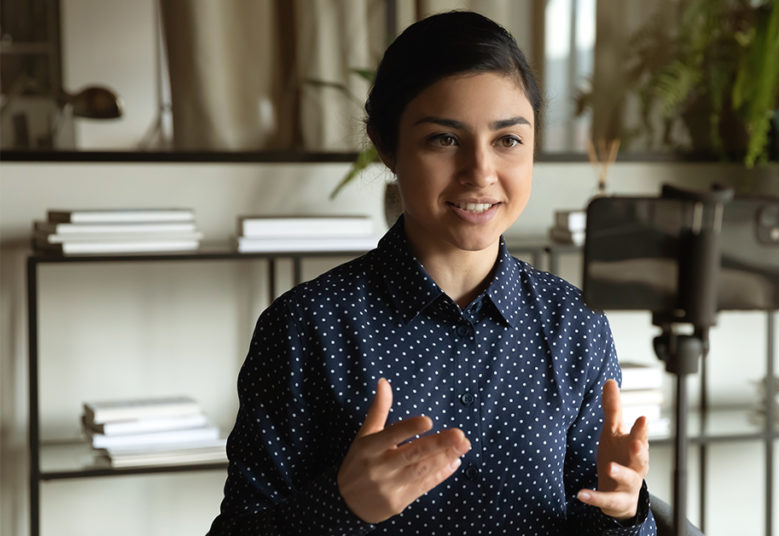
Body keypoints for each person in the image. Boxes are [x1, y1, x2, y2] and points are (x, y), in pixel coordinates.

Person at [209, 11, 659, 535]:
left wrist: (624, 511)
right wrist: (341, 504)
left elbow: (598, 512)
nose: (480, 172)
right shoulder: (305, 327)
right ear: (386, 144)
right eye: (444, 140)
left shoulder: (574, 327)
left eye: (508, 140)